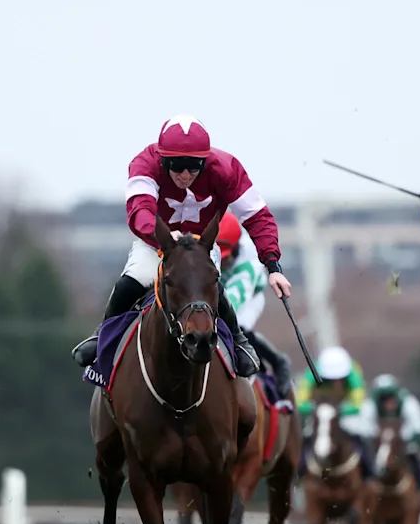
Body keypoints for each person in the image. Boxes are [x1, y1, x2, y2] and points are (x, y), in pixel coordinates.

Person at [70, 114, 292, 378]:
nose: (185, 174)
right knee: (134, 279)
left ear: (205, 160)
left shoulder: (227, 168)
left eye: (194, 166)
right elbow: (139, 210)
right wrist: (164, 237)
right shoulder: (145, 164)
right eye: (176, 166)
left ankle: (238, 340)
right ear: (162, 159)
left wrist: (273, 265)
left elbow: (257, 217)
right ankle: (103, 336)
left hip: (200, 246)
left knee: (211, 288)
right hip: (158, 243)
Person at [214, 212, 293, 396]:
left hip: (248, 298)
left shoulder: (249, 263)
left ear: (236, 249)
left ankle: (277, 361)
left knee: (235, 325)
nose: (222, 264)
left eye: (226, 259)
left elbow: (232, 302)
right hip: (220, 290)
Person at [295, 346, 377, 482]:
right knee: (308, 434)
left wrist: (339, 411)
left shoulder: (354, 372)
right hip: (321, 411)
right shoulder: (311, 372)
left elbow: (358, 403)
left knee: (360, 434)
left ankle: (369, 470)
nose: (336, 382)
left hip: (345, 412)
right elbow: (301, 403)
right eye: (330, 379)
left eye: (340, 378)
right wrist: (317, 409)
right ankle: (300, 470)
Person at [357, 374, 420, 492]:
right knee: (363, 456)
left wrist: (401, 437)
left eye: (390, 397)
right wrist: (379, 436)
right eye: (383, 398)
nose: (388, 402)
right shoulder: (369, 405)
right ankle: (364, 483)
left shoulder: (408, 402)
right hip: (379, 441)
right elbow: (365, 428)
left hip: (402, 441)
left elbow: (419, 426)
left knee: (414, 453)